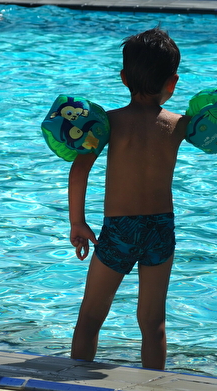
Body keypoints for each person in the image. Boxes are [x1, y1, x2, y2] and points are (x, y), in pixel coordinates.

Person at [68, 27, 190, 370]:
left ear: (123, 78)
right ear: (173, 82)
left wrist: (77, 221)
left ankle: (67, 381)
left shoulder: (109, 123)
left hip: (121, 229)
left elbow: (79, 172)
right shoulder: (179, 124)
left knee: (91, 316)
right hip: (161, 229)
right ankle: (155, 383)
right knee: (153, 324)